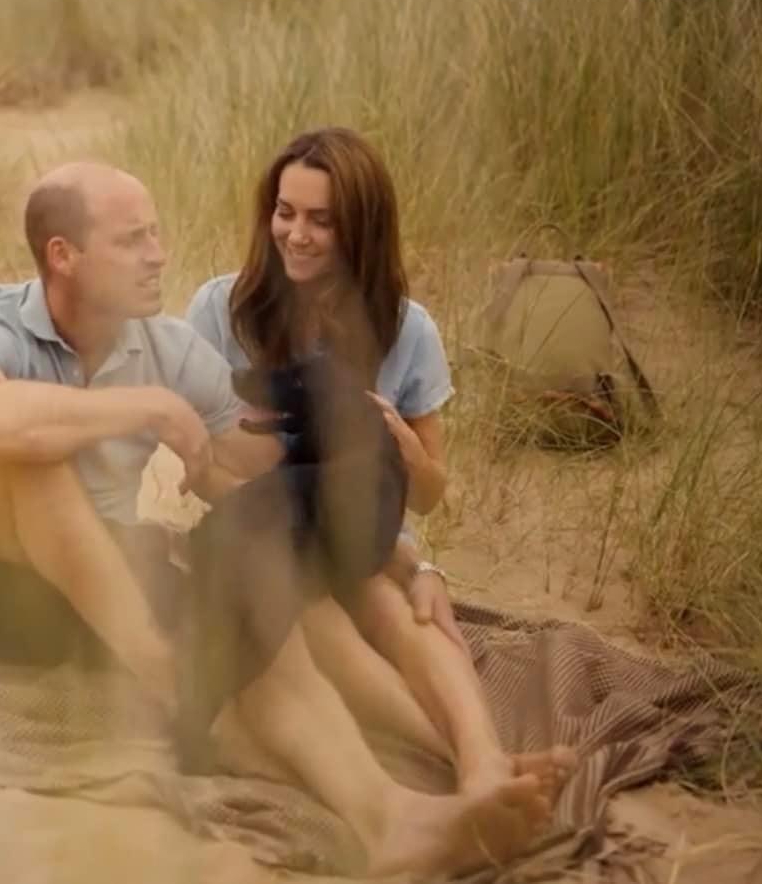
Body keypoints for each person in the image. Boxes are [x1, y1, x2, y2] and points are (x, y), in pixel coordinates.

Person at [0, 159, 563, 878]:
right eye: (133, 240)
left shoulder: (167, 348)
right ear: (63, 255)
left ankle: (392, 815)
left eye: (155, 234)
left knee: (256, 577)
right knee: (28, 462)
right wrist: (150, 408)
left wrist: (395, 535)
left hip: (105, 595)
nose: (159, 255)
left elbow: (256, 476)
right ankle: (172, 685)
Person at [186, 125, 554, 804]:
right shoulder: (220, 309)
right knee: (307, 594)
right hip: (266, 529)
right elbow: (201, 471)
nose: (296, 234)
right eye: (285, 212)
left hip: (368, 537)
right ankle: (455, 763)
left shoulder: (409, 329)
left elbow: (430, 494)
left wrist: (408, 460)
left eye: (321, 221)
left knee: (404, 609)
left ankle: (483, 761)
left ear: (360, 228)